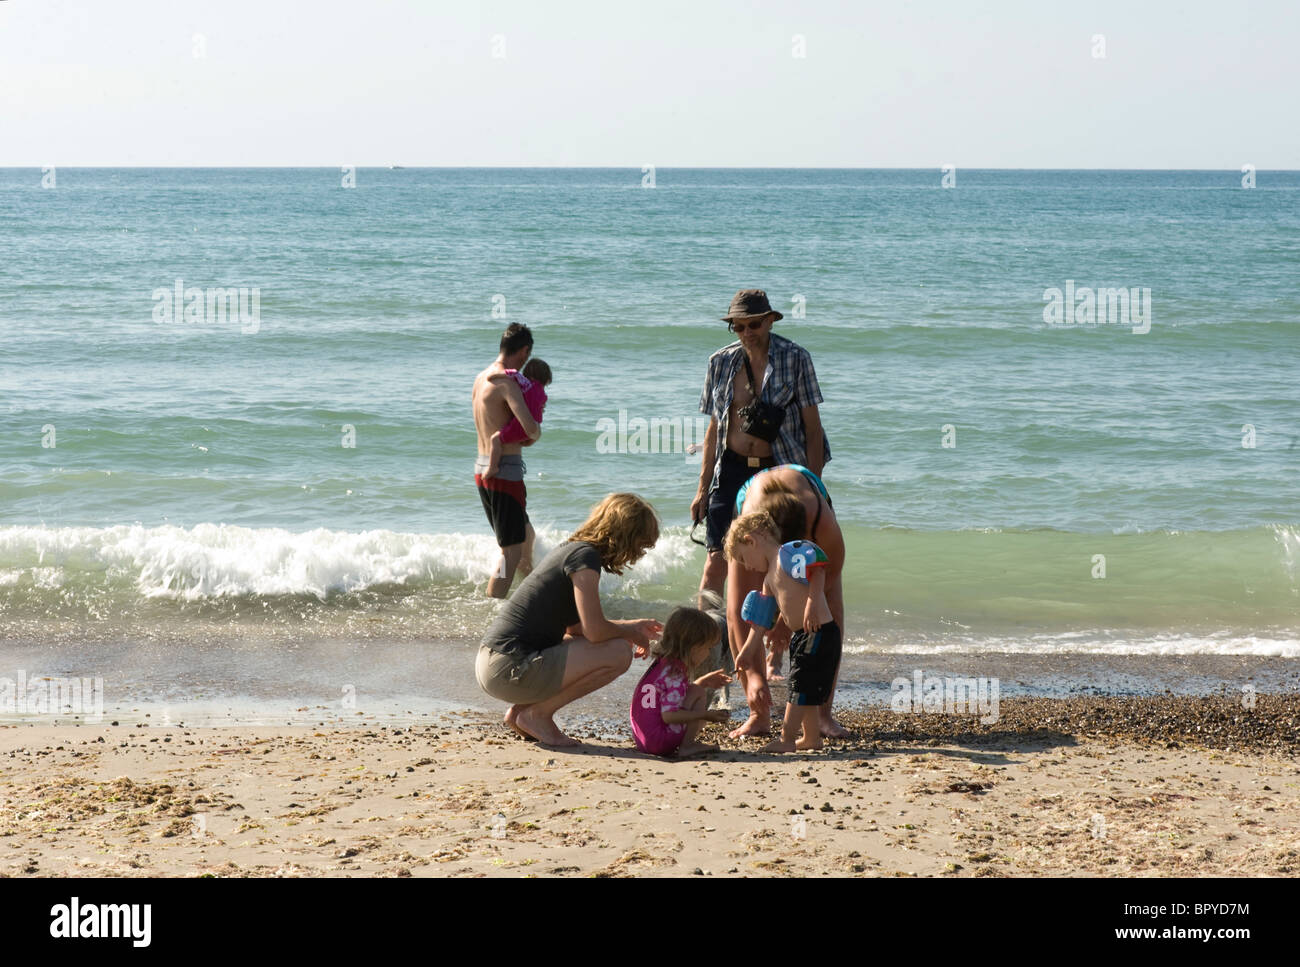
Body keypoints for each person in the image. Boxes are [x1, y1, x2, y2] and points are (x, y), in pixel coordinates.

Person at [691, 289, 830, 715]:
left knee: (781, 570)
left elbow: (812, 429)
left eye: (754, 324)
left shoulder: (796, 359)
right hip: (729, 469)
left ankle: (777, 657)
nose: (747, 332)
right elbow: (715, 427)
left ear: (771, 320)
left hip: (776, 473)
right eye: (739, 326)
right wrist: (702, 488)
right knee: (716, 564)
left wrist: (813, 489)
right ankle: (710, 662)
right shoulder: (720, 362)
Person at [476, 493, 663, 747]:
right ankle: (537, 715)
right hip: (508, 667)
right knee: (619, 652)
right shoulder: (585, 558)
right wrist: (631, 631)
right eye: (640, 545)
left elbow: (576, 629)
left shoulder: (571, 550)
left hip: (494, 664)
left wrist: (630, 626)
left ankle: (522, 713)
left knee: (614, 643)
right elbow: (595, 630)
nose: (638, 554)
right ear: (624, 535)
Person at [728, 464, 849, 738]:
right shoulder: (748, 529)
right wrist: (754, 672)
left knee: (829, 609)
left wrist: (785, 618)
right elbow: (739, 611)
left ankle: (822, 714)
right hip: (753, 499)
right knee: (741, 606)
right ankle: (757, 714)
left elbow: (830, 574)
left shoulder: (820, 521)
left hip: (806, 493)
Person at [473, 324, 542, 597]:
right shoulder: (506, 382)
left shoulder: (482, 378)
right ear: (524, 351)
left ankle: (532, 592)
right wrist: (535, 432)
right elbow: (530, 428)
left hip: (483, 467)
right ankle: (494, 603)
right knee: (510, 551)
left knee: (527, 536)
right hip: (504, 474)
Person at [629, 607, 733, 758]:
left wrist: (702, 682)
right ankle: (688, 745)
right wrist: (705, 715)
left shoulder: (663, 665)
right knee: (697, 692)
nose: (709, 653)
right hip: (660, 741)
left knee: (697, 688)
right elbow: (669, 716)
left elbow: (666, 700)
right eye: (708, 648)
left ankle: (687, 744)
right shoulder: (675, 673)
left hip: (644, 738)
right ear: (693, 648)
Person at [483, 358, 551, 479]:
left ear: (529, 374)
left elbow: (512, 373)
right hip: (534, 429)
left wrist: (493, 376)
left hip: (521, 426)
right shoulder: (543, 395)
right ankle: (525, 440)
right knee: (524, 438)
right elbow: (540, 411)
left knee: (495, 439)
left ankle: (492, 467)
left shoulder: (526, 384)